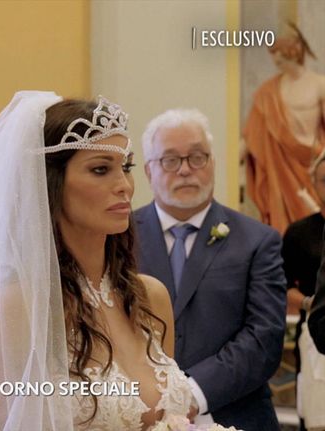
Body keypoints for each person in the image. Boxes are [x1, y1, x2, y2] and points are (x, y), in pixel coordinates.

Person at [0, 92, 194, 430]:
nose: (124, 186)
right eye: (100, 169)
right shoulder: (18, 306)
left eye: (126, 167)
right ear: (50, 183)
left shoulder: (150, 297)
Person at [135, 108, 287, 430]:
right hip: (140, 415)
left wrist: (191, 394)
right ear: (149, 171)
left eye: (197, 157)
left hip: (236, 415)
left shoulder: (258, 240)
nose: (185, 170)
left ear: (213, 163)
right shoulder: (118, 238)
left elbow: (264, 337)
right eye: (170, 160)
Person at [244, 23, 325, 234]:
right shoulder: (268, 91)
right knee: (283, 228)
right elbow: (253, 135)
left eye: (279, 51)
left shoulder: (319, 84)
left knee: (313, 228)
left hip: (312, 164)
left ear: (294, 50)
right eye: (273, 52)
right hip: (280, 168)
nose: (275, 58)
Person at [282, 150, 325, 429]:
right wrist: (312, 303)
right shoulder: (300, 232)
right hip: (314, 328)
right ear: (313, 183)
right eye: (324, 180)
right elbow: (282, 285)